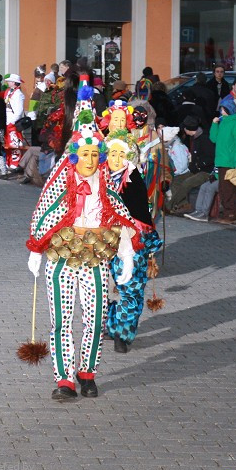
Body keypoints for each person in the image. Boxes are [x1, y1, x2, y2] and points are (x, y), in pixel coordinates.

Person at [26, 126, 138, 400]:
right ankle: (64, 380)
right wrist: (36, 252)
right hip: (61, 259)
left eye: (93, 154)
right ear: (75, 156)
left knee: (95, 320)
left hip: (95, 260)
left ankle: (87, 374)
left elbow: (119, 218)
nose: (89, 160)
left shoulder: (106, 185)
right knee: (61, 322)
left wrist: (127, 256)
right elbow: (45, 215)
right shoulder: (59, 182)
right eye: (84, 154)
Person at [103, 130, 163, 353]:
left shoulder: (133, 180)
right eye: (112, 153)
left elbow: (141, 216)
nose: (116, 158)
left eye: (121, 154)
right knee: (104, 290)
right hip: (102, 244)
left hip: (131, 241)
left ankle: (122, 332)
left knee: (131, 290)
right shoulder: (98, 176)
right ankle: (109, 324)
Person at [209, 102, 236, 223]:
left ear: (229, 110)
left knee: (228, 190)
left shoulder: (235, 123)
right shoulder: (223, 122)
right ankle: (226, 212)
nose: (221, 112)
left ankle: (231, 214)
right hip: (221, 161)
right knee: (223, 190)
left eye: (223, 110)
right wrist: (214, 124)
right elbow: (213, 138)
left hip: (229, 162)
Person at [3, 74, 26, 171]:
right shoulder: (9, 92)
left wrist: (12, 121)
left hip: (13, 122)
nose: (8, 82)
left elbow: (19, 111)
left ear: (14, 82)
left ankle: (15, 163)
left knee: (15, 143)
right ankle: (8, 162)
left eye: (9, 81)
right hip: (7, 121)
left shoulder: (18, 94)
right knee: (8, 144)